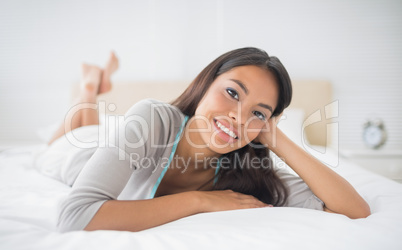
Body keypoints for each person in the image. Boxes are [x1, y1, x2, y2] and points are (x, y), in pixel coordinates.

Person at [35, 48, 370, 232]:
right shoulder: (152, 117)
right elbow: (75, 217)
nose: (239, 117)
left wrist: (272, 135)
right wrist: (200, 200)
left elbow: (354, 210)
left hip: (117, 144)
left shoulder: (245, 172)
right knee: (77, 133)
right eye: (231, 93)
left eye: (258, 112)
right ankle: (88, 90)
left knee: (91, 128)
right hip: (77, 156)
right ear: (205, 84)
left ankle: (93, 86)